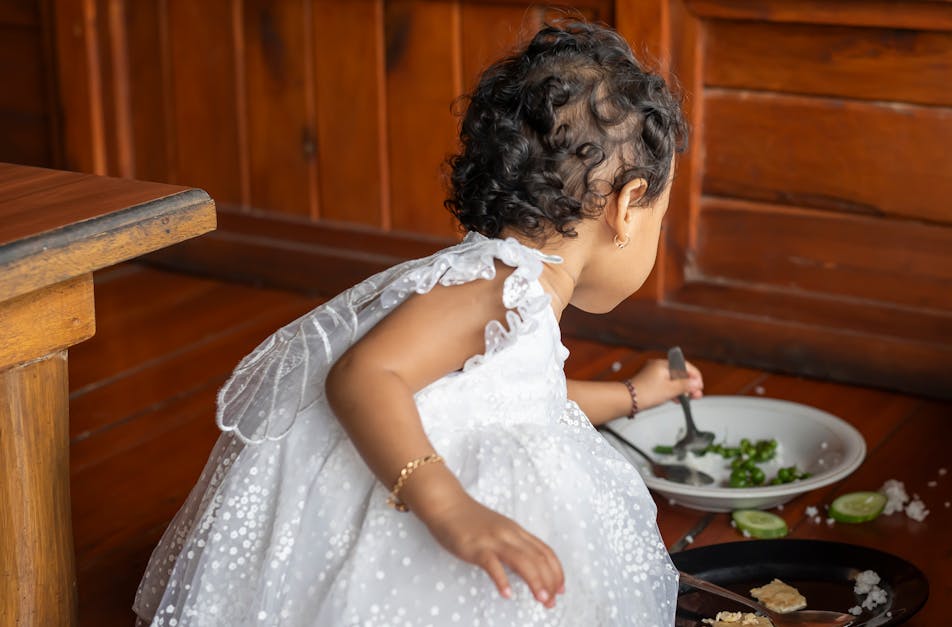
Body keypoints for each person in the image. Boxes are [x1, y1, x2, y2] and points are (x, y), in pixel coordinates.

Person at [133, 19, 697, 626]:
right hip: (402, 497)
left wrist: (635, 394)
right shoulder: (499, 288)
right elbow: (361, 375)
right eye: (659, 222)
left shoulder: (511, 287)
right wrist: (450, 507)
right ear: (626, 207)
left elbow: (526, 400)